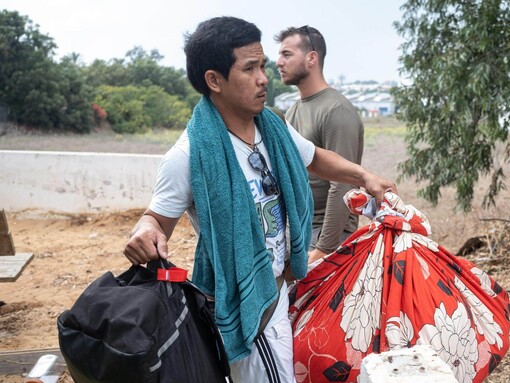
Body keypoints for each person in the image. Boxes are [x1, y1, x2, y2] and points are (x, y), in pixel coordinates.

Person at [122, 16, 396, 383]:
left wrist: (365, 176)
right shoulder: (189, 155)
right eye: (249, 68)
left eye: (263, 65)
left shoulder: (273, 128)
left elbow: (314, 156)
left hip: (286, 284)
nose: (263, 77)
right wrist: (145, 230)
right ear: (214, 80)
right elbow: (156, 218)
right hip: (251, 305)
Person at [275, 26, 364, 265]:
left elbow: (344, 182)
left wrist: (323, 249)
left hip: (327, 238)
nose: (278, 62)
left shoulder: (336, 110)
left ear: (311, 58)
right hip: (300, 232)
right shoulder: (294, 110)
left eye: (286, 54)